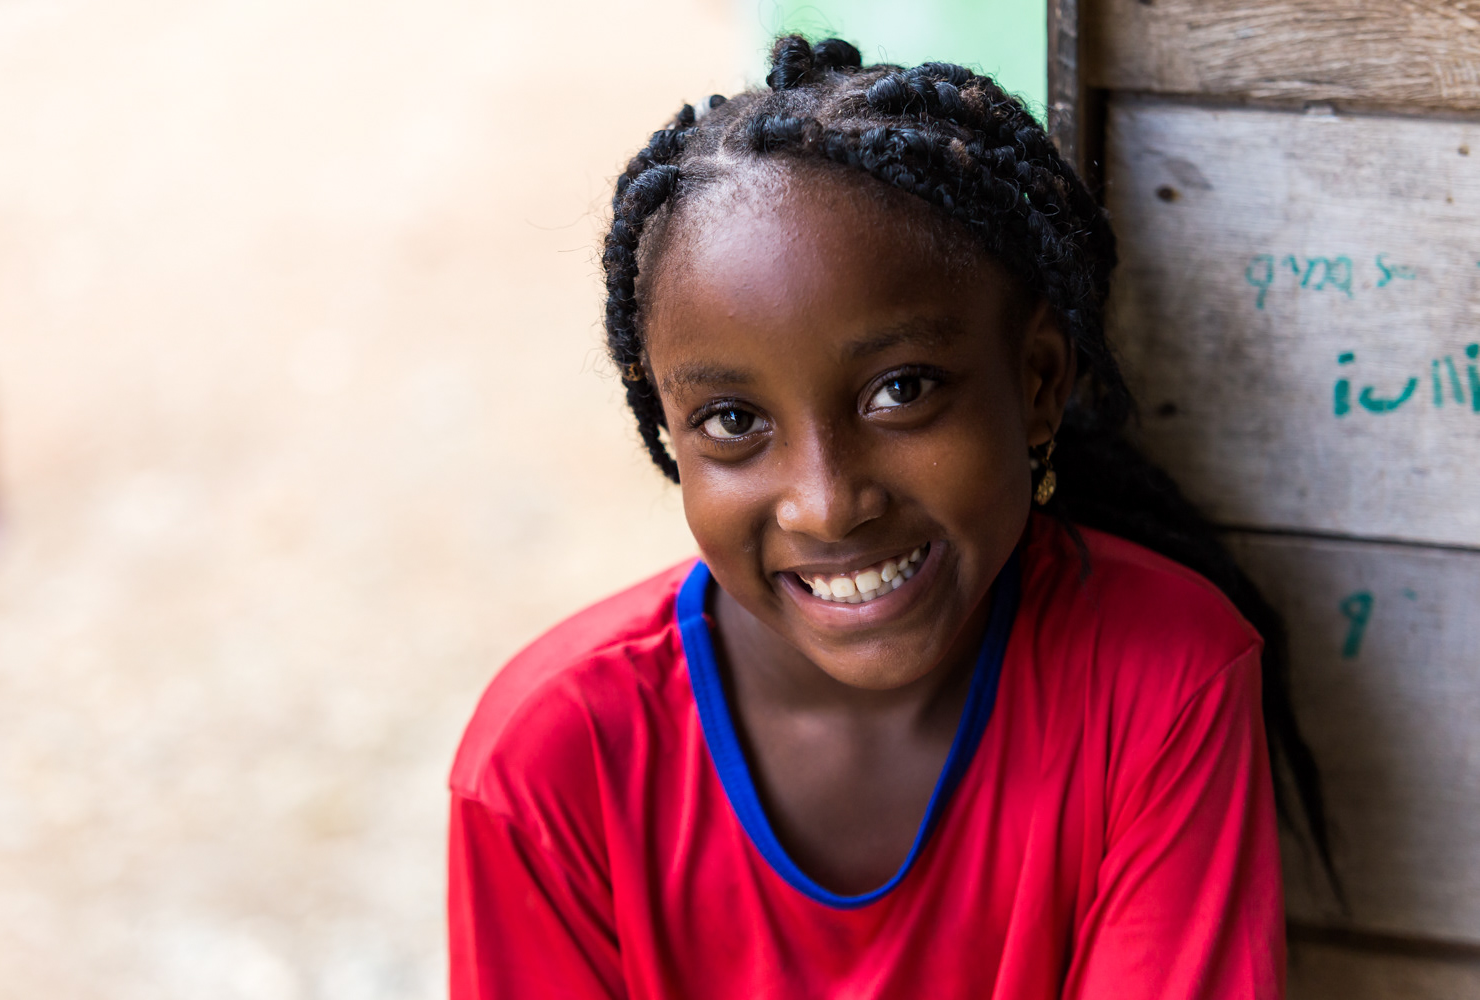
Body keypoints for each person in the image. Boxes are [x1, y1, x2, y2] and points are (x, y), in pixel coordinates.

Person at [448, 35, 1330, 999]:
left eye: (901, 390)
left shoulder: (1162, 682)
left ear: (1038, 383)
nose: (828, 505)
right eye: (734, 421)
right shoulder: (552, 759)